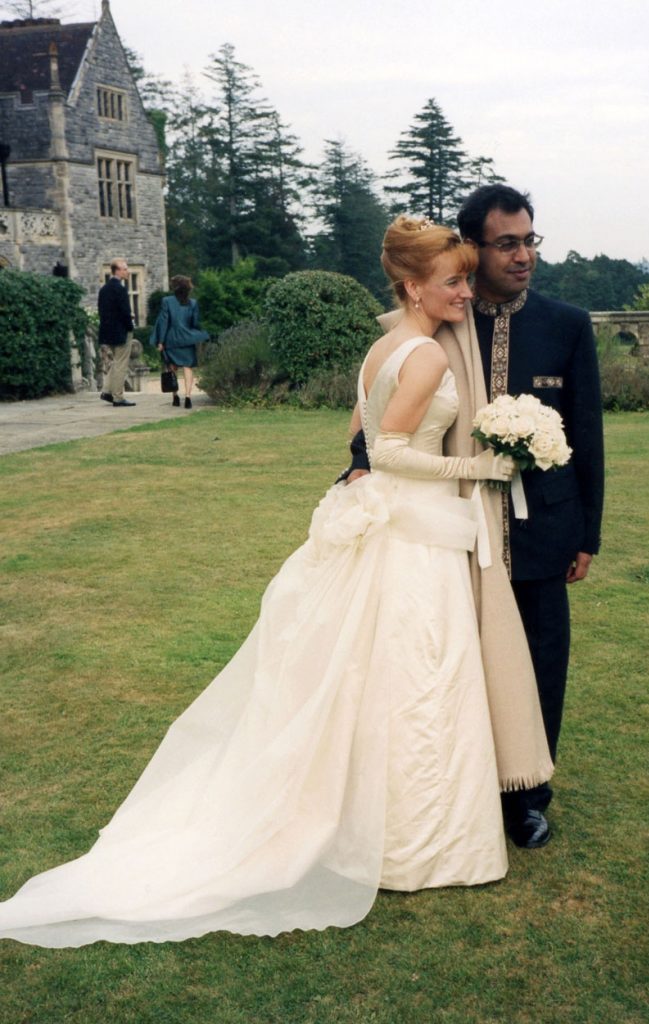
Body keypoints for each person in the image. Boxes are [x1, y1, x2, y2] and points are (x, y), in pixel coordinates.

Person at [0, 217, 552, 949]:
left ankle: (382, 825)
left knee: (384, 678)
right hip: (415, 533)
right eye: (451, 280)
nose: (463, 290)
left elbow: (351, 436)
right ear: (412, 286)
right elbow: (384, 453)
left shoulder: (382, 347)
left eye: (462, 278)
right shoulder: (423, 356)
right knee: (419, 680)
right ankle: (415, 843)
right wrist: (478, 467)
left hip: (398, 531)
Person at [345, 186, 605, 849]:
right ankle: (461, 784)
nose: (522, 256)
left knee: (542, 655)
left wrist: (586, 533)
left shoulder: (565, 324)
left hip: (542, 525)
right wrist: (358, 464)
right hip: (451, 523)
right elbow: (386, 399)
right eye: (507, 243)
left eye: (529, 241)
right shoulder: (446, 314)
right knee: (462, 657)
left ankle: (527, 798)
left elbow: (586, 433)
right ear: (473, 248)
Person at [151, 275, 209, 409]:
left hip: (171, 339)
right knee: (188, 367)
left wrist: (160, 341)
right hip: (187, 339)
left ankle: (175, 397)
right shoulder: (193, 303)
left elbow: (164, 322)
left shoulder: (166, 301)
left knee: (172, 368)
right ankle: (188, 397)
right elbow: (194, 323)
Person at [98, 258, 136, 408]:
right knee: (121, 364)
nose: (127, 271)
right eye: (125, 269)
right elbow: (125, 312)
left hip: (108, 331)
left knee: (115, 362)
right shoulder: (120, 289)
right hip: (121, 331)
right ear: (117, 271)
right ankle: (118, 397)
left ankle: (107, 391)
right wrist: (130, 325)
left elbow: (103, 311)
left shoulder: (104, 289)